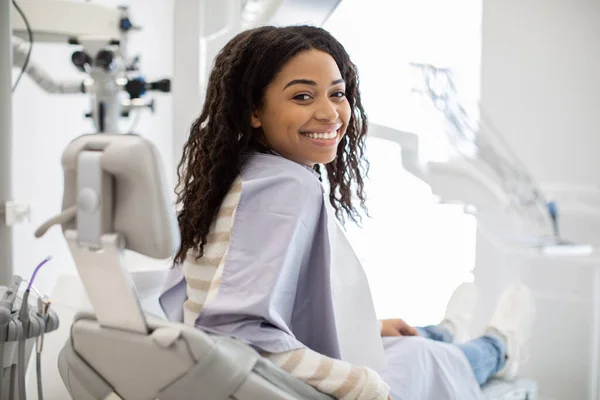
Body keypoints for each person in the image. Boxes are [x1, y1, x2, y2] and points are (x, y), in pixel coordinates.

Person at [159, 25, 536, 400]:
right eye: (303, 96)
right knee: (427, 358)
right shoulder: (288, 187)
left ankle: (447, 330)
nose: (330, 113)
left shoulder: (233, 176)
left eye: (337, 94)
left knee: (402, 340)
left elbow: (225, 300)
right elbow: (240, 332)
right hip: (271, 382)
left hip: (235, 373)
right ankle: (499, 348)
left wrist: (366, 328)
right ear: (254, 110)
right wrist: (366, 389)